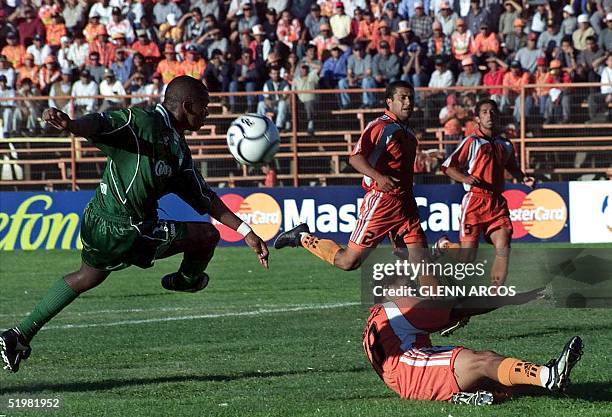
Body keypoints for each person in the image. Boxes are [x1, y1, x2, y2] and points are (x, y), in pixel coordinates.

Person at [0, 76, 270, 373]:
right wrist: (72, 125)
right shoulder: (141, 121)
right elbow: (101, 123)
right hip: (126, 229)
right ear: (188, 106)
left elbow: (203, 197)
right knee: (206, 235)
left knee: (87, 276)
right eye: (204, 108)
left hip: (99, 220)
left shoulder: (178, 150)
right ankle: (186, 281)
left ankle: (17, 336)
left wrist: (246, 230)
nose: (207, 114)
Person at [275, 81, 434, 287]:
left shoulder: (409, 134)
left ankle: (442, 314)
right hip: (382, 202)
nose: (408, 102)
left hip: (405, 205)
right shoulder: (380, 127)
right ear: (389, 101)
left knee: (422, 266)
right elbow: (355, 158)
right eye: (402, 98)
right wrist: (379, 177)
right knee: (348, 261)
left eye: (411, 98)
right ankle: (302, 237)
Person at [363, 279, 584, 404]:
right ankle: (549, 375)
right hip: (414, 371)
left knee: (499, 380)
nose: (411, 287)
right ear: (388, 292)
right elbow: (462, 307)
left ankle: (466, 397)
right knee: (483, 361)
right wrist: (521, 297)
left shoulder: (377, 319)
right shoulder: (398, 307)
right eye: (405, 284)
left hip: (406, 380)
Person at [435, 99, 534, 301]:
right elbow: (447, 166)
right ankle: (444, 245)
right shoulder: (472, 142)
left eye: (492, 111)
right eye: (485, 112)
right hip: (475, 203)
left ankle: (494, 294)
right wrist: (464, 178)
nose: (489, 115)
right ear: (477, 118)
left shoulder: (505, 144)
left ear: (497, 116)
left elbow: (512, 166)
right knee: (467, 258)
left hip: (497, 203)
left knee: (503, 245)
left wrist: (523, 177)